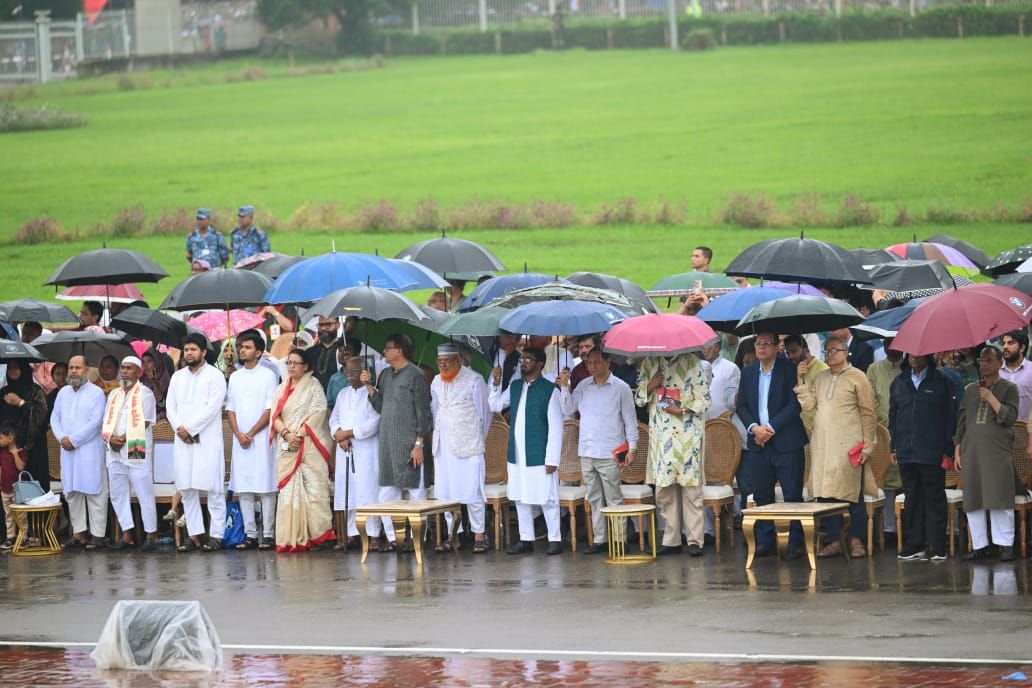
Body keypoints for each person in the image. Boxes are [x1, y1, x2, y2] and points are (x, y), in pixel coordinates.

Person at [796, 333, 878, 559]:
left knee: (852, 494)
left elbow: (869, 413)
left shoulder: (858, 377)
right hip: (823, 445)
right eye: (827, 351)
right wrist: (801, 380)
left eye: (834, 350)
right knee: (825, 494)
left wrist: (868, 446)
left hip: (849, 445)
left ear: (846, 353)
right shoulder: (820, 377)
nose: (829, 355)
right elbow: (809, 406)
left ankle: (855, 540)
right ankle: (834, 540)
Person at [558, 347, 637, 555]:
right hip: (587, 449)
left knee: (614, 497)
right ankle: (601, 539)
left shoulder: (621, 387)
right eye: (589, 362)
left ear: (608, 362)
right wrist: (564, 387)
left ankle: (619, 539)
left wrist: (632, 447)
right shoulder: (583, 385)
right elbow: (568, 409)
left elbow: (630, 420)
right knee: (593, 497)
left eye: (596, 362)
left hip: (611, 450)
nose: (592, 366)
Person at [737, 331, 808, 559]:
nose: (761, 347)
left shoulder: (789, 370)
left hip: (786, 443)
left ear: (777, 347)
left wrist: (770, 428)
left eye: (766, 343)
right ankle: (765, 541)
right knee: (762, 494)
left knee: (792, 495)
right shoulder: (748, 372)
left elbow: (794, 405)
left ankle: (795, 542)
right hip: (758, 443)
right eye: (758, 343)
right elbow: (741, 405)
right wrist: (754, 428)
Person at [360, 333, 433, 552]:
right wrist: (369, 386)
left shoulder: (416, 375)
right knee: (387, 493)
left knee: (415, 492)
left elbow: (424, 413)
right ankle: (394, 538)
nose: (384, 351)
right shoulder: (385, 375)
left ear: (400, 350)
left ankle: (417, 538)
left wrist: (419, 444)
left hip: (410, 443)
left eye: (388, 347)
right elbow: (381, 406)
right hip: (388, 444)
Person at [489, 348, 564, 556]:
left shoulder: (550, 390)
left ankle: (555, 539)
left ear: (540, 364)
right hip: (517, 452)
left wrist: (552, 458)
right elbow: (495, 405)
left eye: (529, 359)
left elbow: (556, 427)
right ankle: (526, 538)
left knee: (547, 497)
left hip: (539, 452)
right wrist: (495, 383)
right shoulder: (514, 386)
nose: (524, 362)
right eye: (522, 359)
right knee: (520, 496)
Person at [635, 353, 711, 557]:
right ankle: (671, 540)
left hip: (688, 437)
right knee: (664, 492)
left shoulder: (692, 362)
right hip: (661, 438)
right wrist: (651, 385)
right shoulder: (649, 363)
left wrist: (682, 410)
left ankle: (695, 540)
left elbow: (705, 399)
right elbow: (639, 399)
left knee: (691, 491)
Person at [955, 343, 1021, 561]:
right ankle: (980, 545)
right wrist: (957, 448)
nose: (984, 364)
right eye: (981, 360)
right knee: (974, 498)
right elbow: (962, 422)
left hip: (997, 452)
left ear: (1000, 364)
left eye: (989, 360)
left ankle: (1006, 545)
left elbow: (1010, 418)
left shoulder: (1009, 388)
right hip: (972, 451)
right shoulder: (970, 390)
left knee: (998, 496)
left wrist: (991, 398)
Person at [889, 353, 956, 561]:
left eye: (919, 355)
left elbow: (950, 417)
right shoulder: (899, 382)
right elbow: (894, 416)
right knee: (912, 498)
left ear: (928, 356)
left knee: (934, 498)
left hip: (932, 450)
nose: (914, 358)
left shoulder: (941, 381)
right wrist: (894, 447)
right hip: (906, 449)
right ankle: (915, 544)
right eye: (911, 354)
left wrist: (947, 449)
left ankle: (937, 546)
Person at [269, 349, 334, 552]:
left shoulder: (314, 386)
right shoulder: (280, 389)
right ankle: (292, 538)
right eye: (289, 362)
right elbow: (275, 416)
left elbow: (319, 412)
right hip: (288, 445)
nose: (291, 366)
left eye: (296, 363)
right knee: (289, 491)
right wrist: (287, 434)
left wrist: (299, 434)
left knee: (314, 490)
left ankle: (318, 536)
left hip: (309, 445)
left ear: (306, 366)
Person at [167, 333, 228, 553]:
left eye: (193, 349)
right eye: (186, 350)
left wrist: (190, 428)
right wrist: (180, 429)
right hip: (183, 440)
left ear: (203, 352)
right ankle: (194, 535)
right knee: (187, 488)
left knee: (214, 488)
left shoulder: (215, 376)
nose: (189, 353)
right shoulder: (178, 377)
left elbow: (213, 407)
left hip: (207, 440)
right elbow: (170, 406)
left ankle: (217, 535)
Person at [431, 344, 492, 553]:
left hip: (469, 445)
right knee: (446, 492)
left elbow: (485, 415)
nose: (443, 365)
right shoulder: (436, 381)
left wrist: (477, 439)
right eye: (440, 362)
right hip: (443, 447)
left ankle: (479, 535)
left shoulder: (474, 380)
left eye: (447, 361)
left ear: (458, 360)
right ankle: (452, 536)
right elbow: (435, 410)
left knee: (473, 490)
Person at [227, 331, 279, 551]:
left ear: (258, 352)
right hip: (241, 440)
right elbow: (230, 408)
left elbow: (270, 409)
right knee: (244, 487)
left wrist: (251, 433)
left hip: (262, 438)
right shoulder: (235, 377)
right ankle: (249, 534)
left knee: (266, 486)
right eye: (240, 346)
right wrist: (239, 434)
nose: (241, 350)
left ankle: (268, 534)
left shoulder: (268, 376)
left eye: (247, 347)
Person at [330, 357, 387, 550]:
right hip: (345, 449)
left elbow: (374, 423)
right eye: (347, 370)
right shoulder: (343, 394)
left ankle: (373, 534)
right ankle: (351, 533)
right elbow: (334, 418)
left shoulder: (373, 393)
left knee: (367, 491)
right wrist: (339, 435)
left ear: (365, 372)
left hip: (366, 450)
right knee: (349, 491)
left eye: (354, 371)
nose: (349, 374)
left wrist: (348, 433)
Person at [50, 356, 107, 549]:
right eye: (71, 367)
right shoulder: (63, 393)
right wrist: (62, 438)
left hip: (89, 449)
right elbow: (54, 418)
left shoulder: (96, 393)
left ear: (86, 370)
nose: (73, 371)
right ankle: (79, 533)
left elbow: (96, 422)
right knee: (72, 492)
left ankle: (98, 535)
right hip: (67, 450)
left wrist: (74, 440)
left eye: (78, 368)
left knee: (94, 491)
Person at [102, 356, 158, 551]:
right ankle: (127, 534)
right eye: (123, 368)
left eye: (129, 368)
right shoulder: (114, 394)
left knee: (143, 491)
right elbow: (106, 420)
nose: (124, 372)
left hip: (135, 444)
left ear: (139, 372)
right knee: (118, 493)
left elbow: (145, 422)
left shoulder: (145, 393)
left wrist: (123, 439)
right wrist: (111, 439)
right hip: (114, 448)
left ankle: (151, 535)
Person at [866, 339, 904, 543]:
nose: (891, 346)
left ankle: (908, 527)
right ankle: (889, 528)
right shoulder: (874, 369)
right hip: (883, 431)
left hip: (907, 430)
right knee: (886, 477)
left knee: (907, 477)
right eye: (887, 343)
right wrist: (885, 423)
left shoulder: (909, 367)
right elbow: (871, 399)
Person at [0, 359, 50, 492]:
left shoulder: (35, 391)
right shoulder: (3, 392)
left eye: (16, 367)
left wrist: (20, 403)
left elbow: (42, 415)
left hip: (31, 447)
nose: (12, 371)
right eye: (10, 368)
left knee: (32, 489)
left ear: (24, 369)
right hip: (8, 446)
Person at [784, 334, 826, 433]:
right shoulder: (794, 369)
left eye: (794, 351)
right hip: (802, 428)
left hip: (818, 429)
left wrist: (800, 379)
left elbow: (812, 406)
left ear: (806, 350)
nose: (790, 356)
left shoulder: (822, 370)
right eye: (788, 353)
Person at [0, 424, 26, 550]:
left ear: (10, 438)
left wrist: (15, 454)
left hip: (17, 488)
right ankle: (11, 537)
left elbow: (21, 467)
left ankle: (24, 538)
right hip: (4, 488)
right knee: (8, 514)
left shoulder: (20, 450)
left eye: (1, 438)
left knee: (21, 514)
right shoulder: (2, 452)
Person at [999, 330, 1032, 424]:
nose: (1005, 346)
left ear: (1022, 348)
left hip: (1026, 428)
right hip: (1000, 428)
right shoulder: (996, 371)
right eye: (1003, 343)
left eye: (1010, 343)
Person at [304, 316, 341, 392]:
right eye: (320, 325)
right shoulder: (310, 352)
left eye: (328, 325)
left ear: (338, 325)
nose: (323, 328)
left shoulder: (343, 351)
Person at [21, 321, 55, 393]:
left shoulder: (47, 359)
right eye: (24, 333)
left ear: (39, 337)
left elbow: (51, 386)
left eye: (31, 334)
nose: (26, 338)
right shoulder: (15, 357)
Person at [325, 340, 360, 409]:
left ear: (357, 354)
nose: (343, 354)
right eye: (340, 351)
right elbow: (330, 405)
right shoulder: (334, 378)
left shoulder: (363, 373)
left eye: (347, 351)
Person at [140, 348, 170, 421]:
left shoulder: (168, 382)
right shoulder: (140, 380)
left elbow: (163, 405)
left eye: (149, 361)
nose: (145, 365)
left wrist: (155, 383)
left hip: (160, 421)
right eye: (143, 362)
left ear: (157, 362)